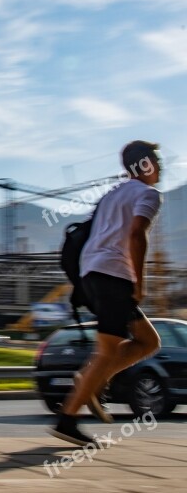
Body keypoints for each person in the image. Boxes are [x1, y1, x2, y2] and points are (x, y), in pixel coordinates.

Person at [50, 140, 163, 445]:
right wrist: (139, 282)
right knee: (108, 351)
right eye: (156, 159)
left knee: (148, 341)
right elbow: (137, 234)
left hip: (93, 274)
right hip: (113, 276)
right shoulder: (148, 195)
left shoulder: (111, 195)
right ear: (145, 164)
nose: (160, 166)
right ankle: (68, 418)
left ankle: (92, 380)